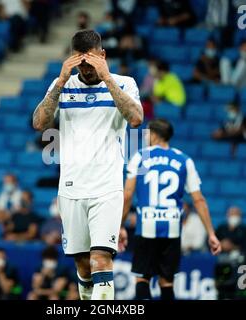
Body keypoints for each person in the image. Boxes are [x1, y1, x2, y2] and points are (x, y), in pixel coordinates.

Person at [32, 29, 143, 300]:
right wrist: (59, 82)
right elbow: (39, 123)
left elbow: (136, 118)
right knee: (83, 264)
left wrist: (106, 78)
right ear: (72, 59)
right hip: (71, 188)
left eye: (92, 62)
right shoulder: (63, 86)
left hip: (107, 187)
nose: (87, 69)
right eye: (81, 63)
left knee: (101, 260)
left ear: (103, 56)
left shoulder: (124, 83)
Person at [123, 118, 221, 300]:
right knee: (166, 282)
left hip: (147, 226)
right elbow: (198, 199)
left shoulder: (142, 157)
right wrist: (211, 233)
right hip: (172, 228)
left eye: (146, 132)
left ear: (153, 134)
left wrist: (120, 226)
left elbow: (127, 194)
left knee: (142, 279)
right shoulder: (184, 160)